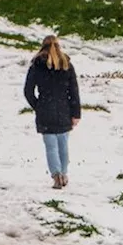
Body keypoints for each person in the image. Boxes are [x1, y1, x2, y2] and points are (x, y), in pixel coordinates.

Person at [23, 35, 81, 189]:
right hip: (64, 110)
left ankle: (56, 175)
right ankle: (64, 173)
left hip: (45, 110)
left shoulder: (36, 65)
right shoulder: (66, 64)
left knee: (51, 147)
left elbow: (28, 91)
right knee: (63, 145)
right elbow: (74, 91)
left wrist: (38, 106)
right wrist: (75, 113)